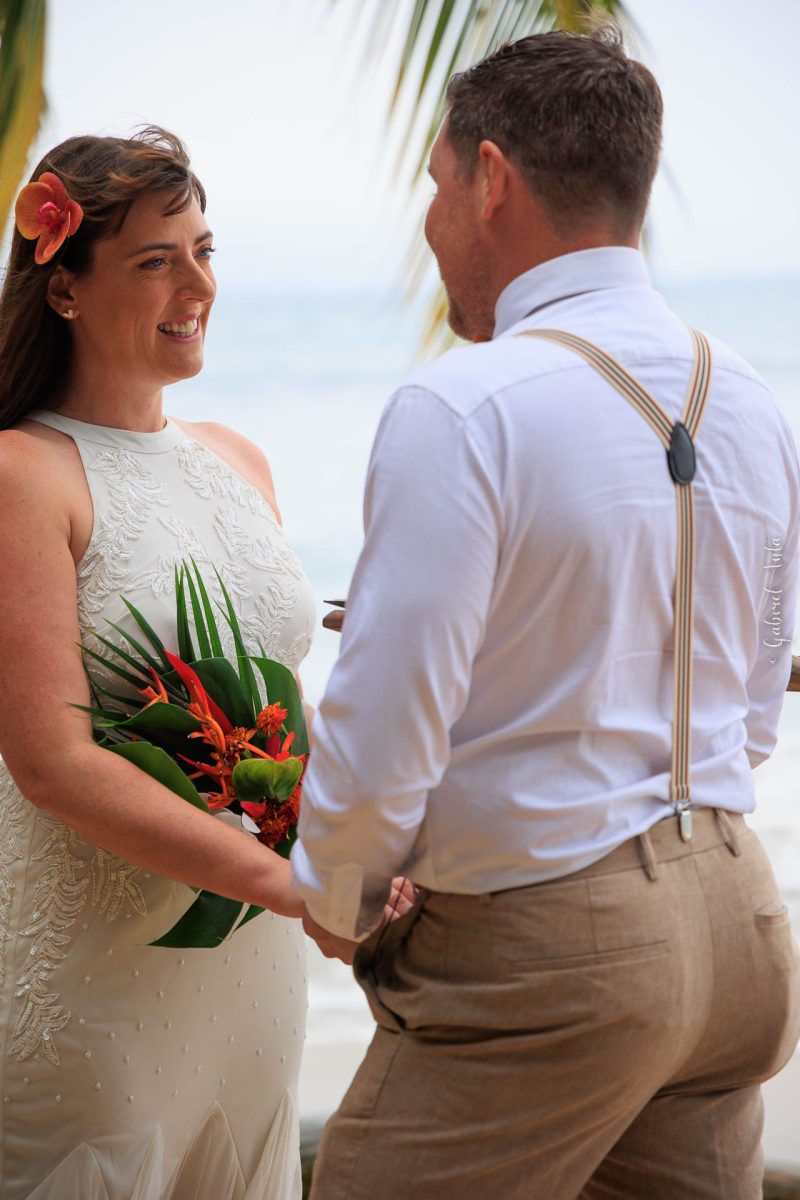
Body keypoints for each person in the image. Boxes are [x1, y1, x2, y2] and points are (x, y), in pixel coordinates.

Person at [292, 27, 800, 1200]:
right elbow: (756, 691)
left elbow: (388, 711)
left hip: (548, 960)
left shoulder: (462, 405)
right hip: (740, 928)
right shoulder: (756, 402)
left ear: (489, 178)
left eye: (433, 186)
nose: (430, 223)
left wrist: (342, 892)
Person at [0, 126, 356, 1199]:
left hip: (249, 978)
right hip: (98, 991)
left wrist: (364, 848)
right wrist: (291, 884)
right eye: (156, 260)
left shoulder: (237, 457)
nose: (196, 283)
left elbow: (283, 721)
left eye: (205, 250)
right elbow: (50, 760)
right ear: (63, 288)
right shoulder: (22, 473)